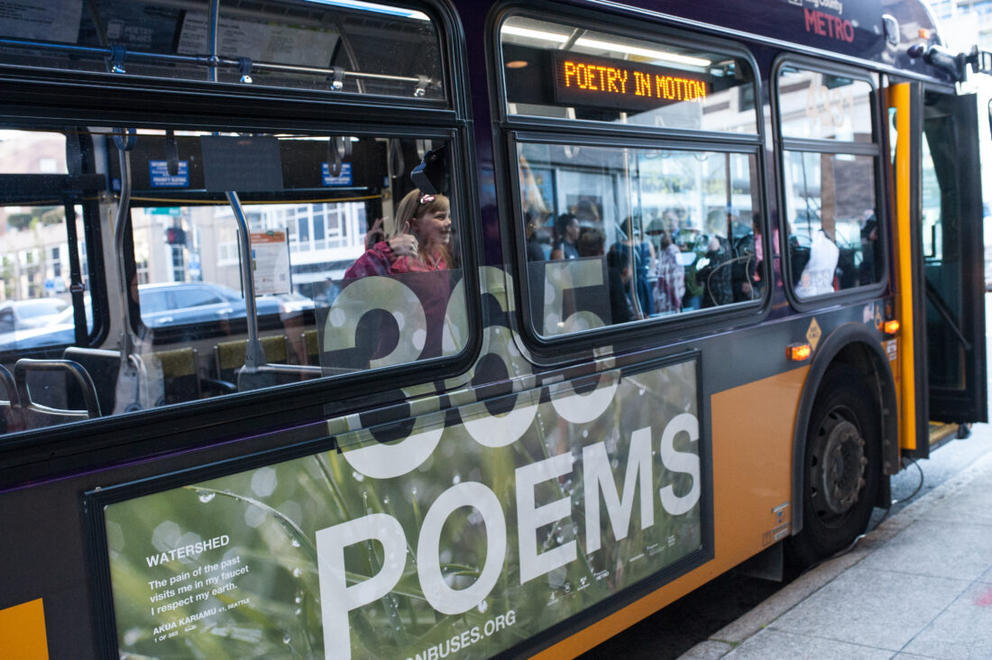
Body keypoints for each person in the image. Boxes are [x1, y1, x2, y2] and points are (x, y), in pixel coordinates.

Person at [345, 188, 452, 278]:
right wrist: (386, 251)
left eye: (449, 216)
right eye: (440, 217)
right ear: (414, 225)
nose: (449, 223)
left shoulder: (440, 255)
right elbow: (350, 283)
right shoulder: (399, 262)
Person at [654, 230, 684, 313]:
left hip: (670, 297)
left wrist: (676, 298)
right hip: (669, 295)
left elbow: (675, 277)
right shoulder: (665, 251)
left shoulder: (671, 252)